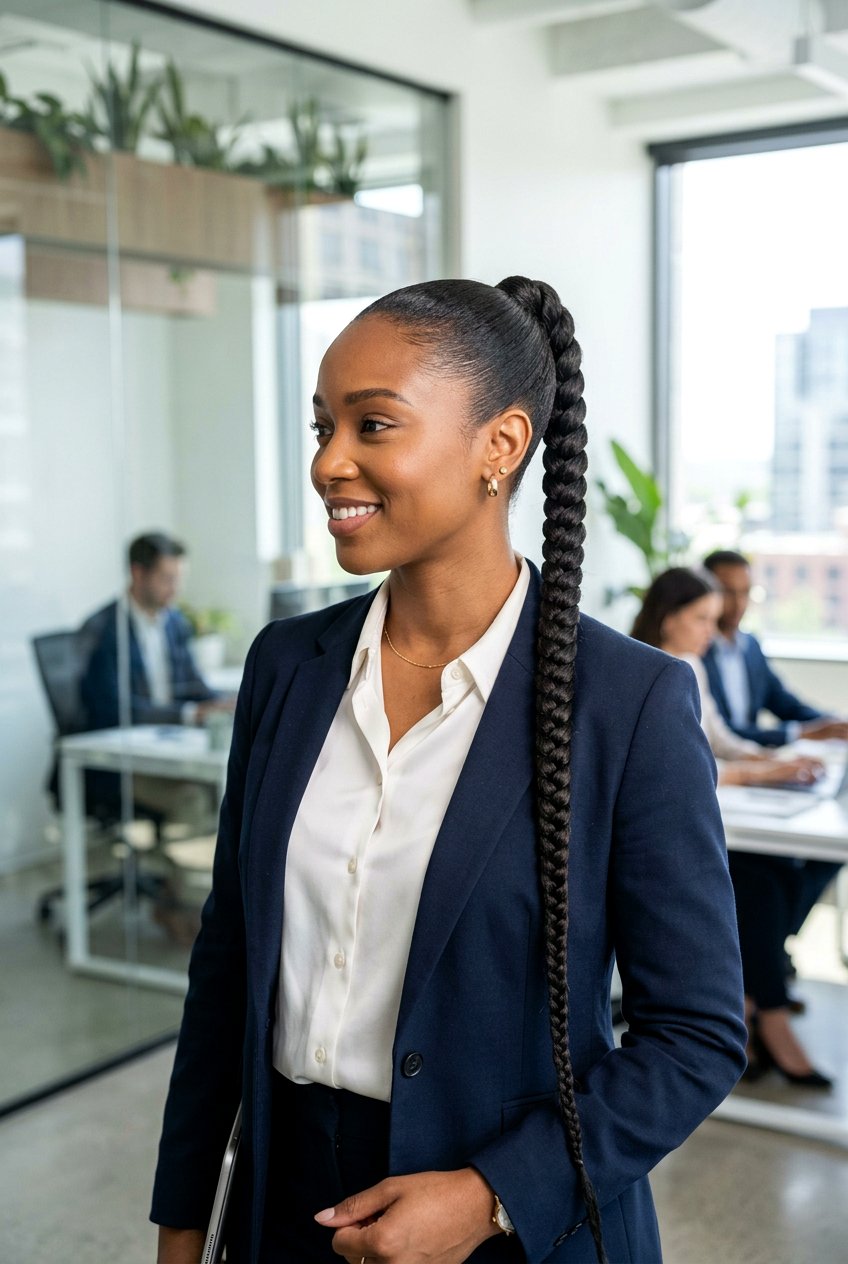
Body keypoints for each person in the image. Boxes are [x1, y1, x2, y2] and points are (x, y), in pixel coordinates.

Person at [152, 278, 746, 1264]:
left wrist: (489, 1196)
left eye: (371, 424)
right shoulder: (285, 667)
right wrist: (182, 1230)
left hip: (514, 1225)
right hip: (282, 1210)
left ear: (499, 446)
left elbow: (691, 1034)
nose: (327, 462)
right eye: (320, 426)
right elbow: (226, 968)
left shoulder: (624, 702)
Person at [632, 567, 834, 1090]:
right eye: (700, 619)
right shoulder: (653, 670)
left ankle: (751, 996)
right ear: (668, 617)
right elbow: (689, 768)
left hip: (724, 806)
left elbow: (717, 739)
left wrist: (774, 759)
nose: (710, 631)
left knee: (782, 872)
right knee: (762, 883)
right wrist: (765, 771)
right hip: (670, 828)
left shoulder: (692, 664)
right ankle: (768, 1014)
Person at [80, 531, 232, 824]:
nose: (175, 589)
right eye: (167, 578)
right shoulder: (102, 630)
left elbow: (192, 684)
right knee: (196, 800)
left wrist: (223, 704)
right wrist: (190, 713)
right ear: (138, 573)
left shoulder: (173, 622)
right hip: (120, 765)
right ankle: (184, 870)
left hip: (167, 750)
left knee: (235, 787)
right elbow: (115, 709)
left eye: (179, 578)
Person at [702, 549, 848, 747]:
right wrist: (799, 734)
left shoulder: (750, 646)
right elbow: (720, 733)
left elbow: (785, 704)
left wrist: (833, 722)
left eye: (745, 592)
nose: (738, 603)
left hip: (754, 758)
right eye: (728, 592)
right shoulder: (696, 652)